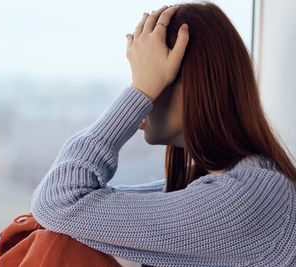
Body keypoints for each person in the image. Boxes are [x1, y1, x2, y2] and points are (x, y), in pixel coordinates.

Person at [30, 2, 296, 266]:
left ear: (190, 86)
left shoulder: (249, 198)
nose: (141, 97)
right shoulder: (221, 184)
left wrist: (141, 91)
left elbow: (62, 199)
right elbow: (70, 204)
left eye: (151, 78)